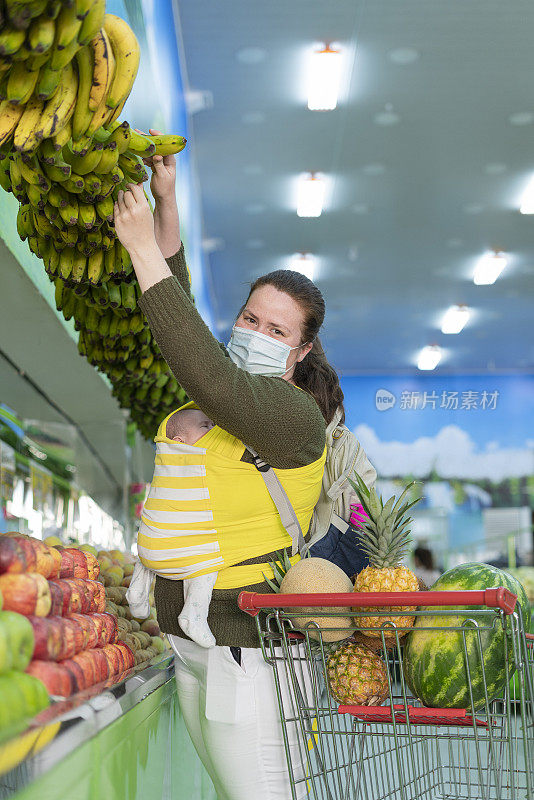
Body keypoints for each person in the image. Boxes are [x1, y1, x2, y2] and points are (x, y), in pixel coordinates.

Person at [113, 133, 348, 800]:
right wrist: (166, 207)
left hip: (255, 660)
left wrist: (136, 246)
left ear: (301, 352)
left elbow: (209, 373)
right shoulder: (225, 409)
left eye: (277, 331)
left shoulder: (291, 417)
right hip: (195, 644)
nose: (257, 334)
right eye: (250, 318)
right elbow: (181, 323)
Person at [127, 407, 222, 648]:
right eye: (205, 426)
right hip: (182, 551)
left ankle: (137, 593)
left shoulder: (163, 462)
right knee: (208, 563)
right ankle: (193, 615)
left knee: (150, 553)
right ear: (181, 442)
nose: (212, 430)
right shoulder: (199, 458)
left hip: (151, 544)